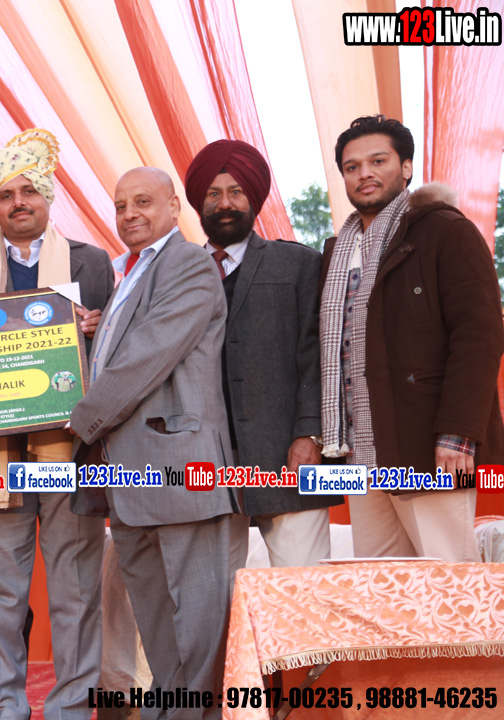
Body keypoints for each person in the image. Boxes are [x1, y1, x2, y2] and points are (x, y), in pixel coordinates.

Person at [0, 129, 113, 720]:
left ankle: (72, 709)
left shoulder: (94, 263)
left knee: (76, 591)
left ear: (47, 195)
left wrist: (98, 331)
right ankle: (3, 710)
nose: (18, 202)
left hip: (74, 452)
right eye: (5, 195)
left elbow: (118, 353)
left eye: (29, 191)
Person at [69, 167, 240, 719]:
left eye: (142, 201)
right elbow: (116, 355)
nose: (130, 214)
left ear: (173, 206)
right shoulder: (130, 272)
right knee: (157, 622)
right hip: (126, 476)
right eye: (121, 206)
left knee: (200, 622)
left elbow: (150, 354)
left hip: (180, 466)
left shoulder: (187, 262)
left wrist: (79, 420)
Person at [320, 114, 504, 561]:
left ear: (406, 167)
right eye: (351, 166)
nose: (364, 173)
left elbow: (479, 334)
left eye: (378, 161)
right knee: (381, 587)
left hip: (429, 446)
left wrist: (458, 432)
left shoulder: (445, 230)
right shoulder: (337, 251)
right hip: (360, 449)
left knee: (447, 580)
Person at [184, 139, 339, 567]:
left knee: (303, 590)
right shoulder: (178, 274)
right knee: (213, 593)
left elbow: (319, 356)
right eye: (213, 194)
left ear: (253, 197)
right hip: (203, 459)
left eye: (236, 191)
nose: (225, 203)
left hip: (287, 454)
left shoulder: (297, 264)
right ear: (198, 203)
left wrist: (310, 435)